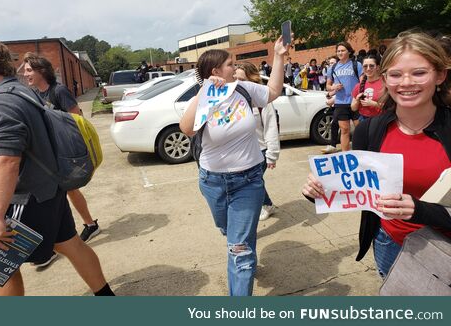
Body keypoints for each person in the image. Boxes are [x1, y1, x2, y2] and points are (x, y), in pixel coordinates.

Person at [303, 31, 451, 279]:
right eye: (395, 74)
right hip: (389, 244)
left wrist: (420, 210)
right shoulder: (371, 130)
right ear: (385, 79)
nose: (406, 82)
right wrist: (319, 189)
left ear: (440, 75)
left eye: (419, 73)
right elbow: (355, 187)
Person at [0, 39, 114, 296]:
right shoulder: (21, 90)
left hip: (30, 195)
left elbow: (8, 160)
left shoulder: (0, 102)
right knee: (70, 245)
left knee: (2, 264)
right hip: (50, 188)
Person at [179, 38, 289, 296]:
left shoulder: (244, 89)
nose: (235, 67)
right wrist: (204, 92)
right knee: (229, 232)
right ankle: (240, 243)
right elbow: (187, 129)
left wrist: (279, 56)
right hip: (213, 182)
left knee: (240, 252)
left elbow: (273, 91)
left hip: (249, 181)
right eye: (230, 64)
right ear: (215, 72)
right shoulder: (205, 98)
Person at [23, 54, 101, 250]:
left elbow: (76, 119)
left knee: (67, 190)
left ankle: (83, 227)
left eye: (29, 70)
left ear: (42, 71)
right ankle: (83, 227)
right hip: (48, 153)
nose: (25, 74)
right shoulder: (35, 95)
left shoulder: (58, 91)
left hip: (63, 152)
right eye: (25, 70)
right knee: (65, 191)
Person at [234, 62, 280, 221]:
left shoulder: (262, 100)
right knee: (254, 182)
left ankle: (260, 208)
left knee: (251, 184)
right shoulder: (233, 99)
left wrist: (272, 154)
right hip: (242, 152)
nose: (237, 82)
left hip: (260, 151)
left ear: (251, 80)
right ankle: (267, 205)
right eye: (235, 78)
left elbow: (271, 127)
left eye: (241, 79)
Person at [326, 42, 363, 151]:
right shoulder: (332, 68)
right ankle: (345, 155)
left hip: (355, 102)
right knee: (344, 130)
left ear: (349, 51)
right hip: (340, 103)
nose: (340, 53)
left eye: (343, 50)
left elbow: (362, 83)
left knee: (360, 130)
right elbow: (328, 86)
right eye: (338, 51)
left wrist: (359, 97)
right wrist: (334, 87)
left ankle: (363, 153)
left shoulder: (357, 65)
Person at [351, 54, 383, 122]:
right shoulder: (358, 86)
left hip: (380, 119)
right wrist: (357, 100)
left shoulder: (385, 84)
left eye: (371, 66)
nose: (368, 68)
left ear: (377, 67)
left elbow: (390, 107)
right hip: (363, 119)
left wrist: (374, 104)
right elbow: (353, 108)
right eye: (365, 66)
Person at [321, 56, 340, 154]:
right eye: (329, 63)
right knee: (336, 125)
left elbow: (345, 90)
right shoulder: (332, 75)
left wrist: (333, 99)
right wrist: (330, 94)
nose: (330, 65)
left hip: (344, 103)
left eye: (333, 63)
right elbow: (331, 89)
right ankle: (333, 145)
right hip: (337, 104)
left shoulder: (341, 74)